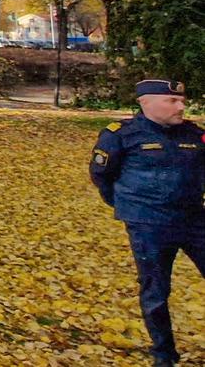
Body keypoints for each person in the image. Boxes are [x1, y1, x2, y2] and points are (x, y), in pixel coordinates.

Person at [90, 79, 203, 366]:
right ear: (146, 103)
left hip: (193, 220)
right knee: (155, 291)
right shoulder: (121, 135)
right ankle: (164, 354)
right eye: (172, 101)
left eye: (182, 101)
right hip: (149, 225)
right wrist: (131, 208)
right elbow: (102, 176)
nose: (181, 106)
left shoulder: (194, 134)